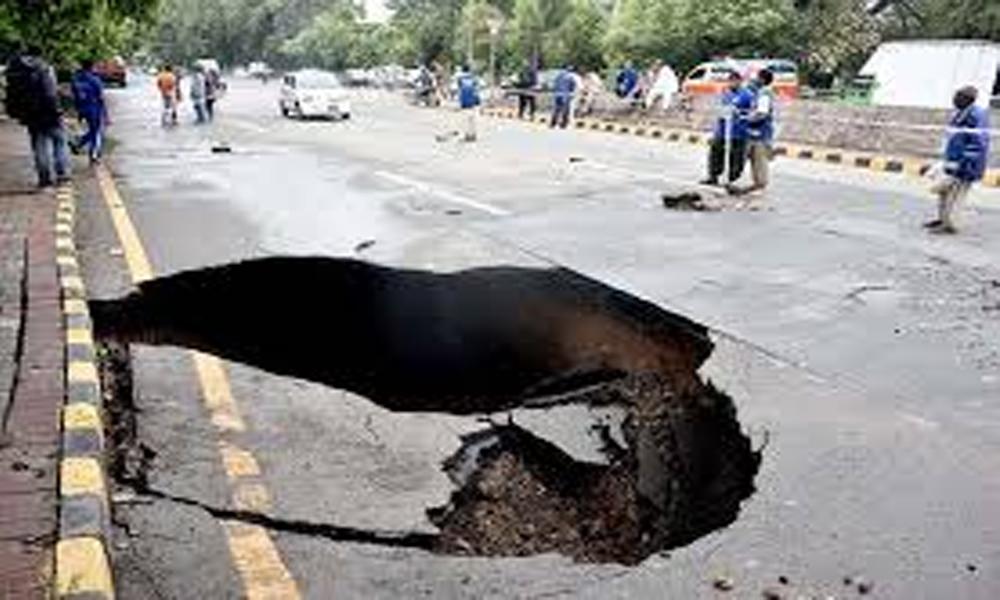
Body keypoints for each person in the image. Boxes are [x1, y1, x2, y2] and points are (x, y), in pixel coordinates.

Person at [925, 85, 991, 234]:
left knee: (955, 195)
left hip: (965, 164)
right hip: (952, 162)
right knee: (945, 193)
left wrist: (965, 164)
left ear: (967, 99)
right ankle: (942, 219)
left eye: (958, 96)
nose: (954, 99)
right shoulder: (961, 113)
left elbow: (978, 143)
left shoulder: (976, 115)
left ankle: (950, 225)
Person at [4, 46, 71, 188]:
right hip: (49, 112)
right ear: (41, 54)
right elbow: (50, 92)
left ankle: (44, 179)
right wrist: (58, 109)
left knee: (39, 145)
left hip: (29, 114)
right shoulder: (44, 68)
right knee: (60, 141)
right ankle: (62, 174)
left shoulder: (18, 68)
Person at [701, 71, 754, 188]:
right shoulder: (726, 93)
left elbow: (751, 111)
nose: (731, 83)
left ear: (740, 81)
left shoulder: (747, 95)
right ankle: (713, 176)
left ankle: (732, 179)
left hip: (739, 131)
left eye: (734, 81)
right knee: (715, 151)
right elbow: (722, 109)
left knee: (736, 156)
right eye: (730, 81)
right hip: (723, 130)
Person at [734, 69, 776, 195]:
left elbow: (761, 113)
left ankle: (760, 185)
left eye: (756, 77)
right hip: (754, 132)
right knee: (753, 158)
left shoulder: (764, 94)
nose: (754, 80)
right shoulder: (758, 93)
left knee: (759, 160)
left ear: (762, 79)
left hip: (761, 133)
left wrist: (746, 119)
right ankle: (756, 184)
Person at [70, 58, 108, 164]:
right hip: (94, 109)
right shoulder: (94, 79)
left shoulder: (76, 78)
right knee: (97, 132)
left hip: (82, 108)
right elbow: (101, 97)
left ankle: (79, 143)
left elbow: (74, 95)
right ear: (91, 67)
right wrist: (105, 115)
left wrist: (78, 110)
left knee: (93, 131)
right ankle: (93, 155)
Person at [456, 65, 481, 142]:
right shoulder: (474, 78)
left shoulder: (460, 78)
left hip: (464, 100)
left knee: (465, 119)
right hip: (473, 100)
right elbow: (477, 88)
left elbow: (459, 88)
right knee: (472, 119)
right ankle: (473, 134)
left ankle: (467, 135)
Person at [550, 65, 576, 129]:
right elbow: (573, 85)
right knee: (566, 110)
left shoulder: (558, 76)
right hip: (566, 95)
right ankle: (564, 124)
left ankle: (553, 123)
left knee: (557, 110)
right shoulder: (570, 76)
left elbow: (554, 85)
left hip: (557, 94)